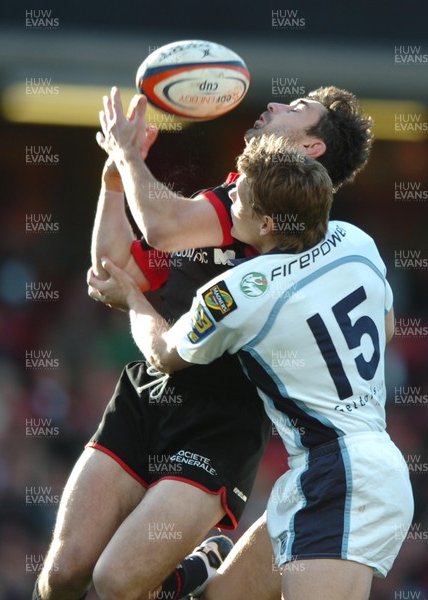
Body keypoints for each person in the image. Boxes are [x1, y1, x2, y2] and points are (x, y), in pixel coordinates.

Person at [34, 85, 374, 600]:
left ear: (311, 150)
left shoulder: (290, 230)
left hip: (221, 423)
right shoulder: (235, 195)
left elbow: (161, 227)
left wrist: (128, 156)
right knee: (64, 574)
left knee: (116, 582)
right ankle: (183, 575)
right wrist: (112, 180)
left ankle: (188, 575)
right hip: (148, 398)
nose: (276, 104)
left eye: (296, 109)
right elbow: (116, 268)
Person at [88, 136, 414, 600]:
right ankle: (194, 572)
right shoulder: (355, 238)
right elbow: (386, 327)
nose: (230, 194)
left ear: (265, 222)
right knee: (220, 596)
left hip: (342, 477)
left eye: (239, 193)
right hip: (341, 464)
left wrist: (132, 300)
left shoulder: (241, 291)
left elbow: (161, 352)